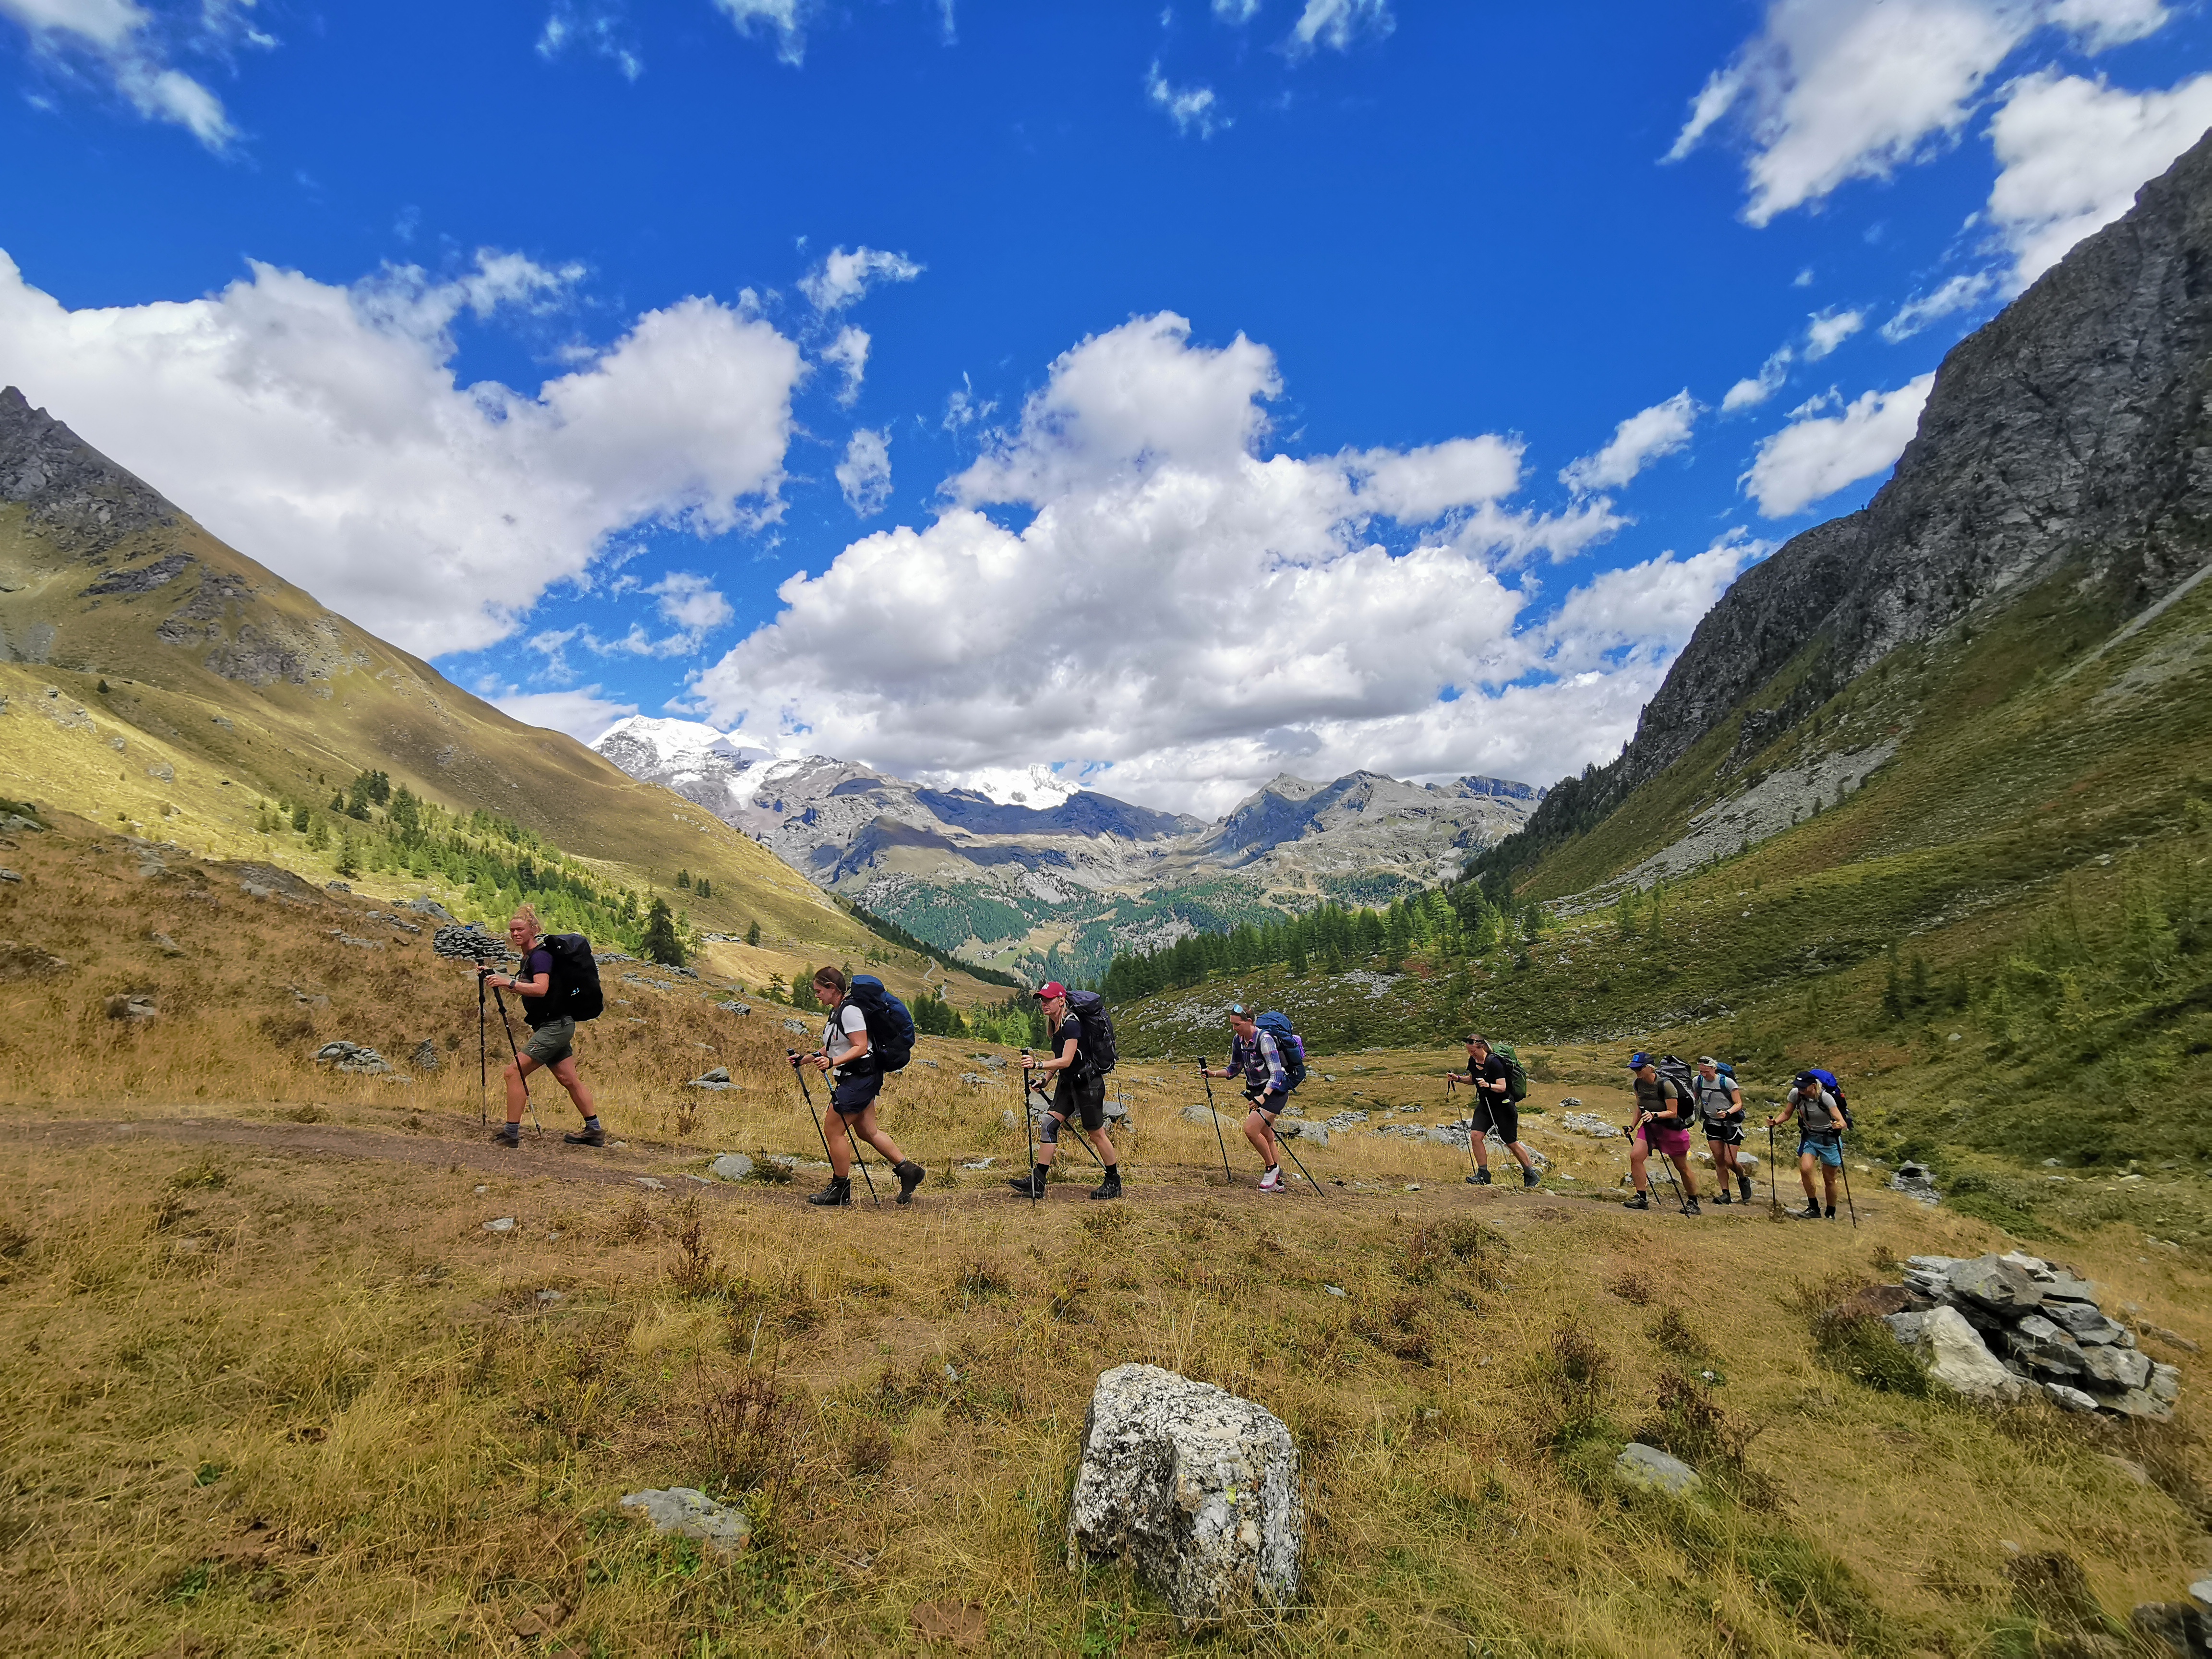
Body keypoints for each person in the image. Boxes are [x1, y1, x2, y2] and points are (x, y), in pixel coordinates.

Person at [481, 904, 605, 1148]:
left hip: (555, 1026)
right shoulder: (530, 957)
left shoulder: (540, 956)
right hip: (555, 1024)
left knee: (513, 1073)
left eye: (520, 930)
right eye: (512, 930)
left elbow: (541, 989)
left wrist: (510, 984)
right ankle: (594, 1131)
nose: (515, 934)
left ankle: (511, 1134)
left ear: (533, 930)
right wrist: (496, 975)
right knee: (568, 1078)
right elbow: (527, 983)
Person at [801, 966, 926, 1207]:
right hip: (861, 1077)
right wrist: (805, 1058)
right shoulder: (838, 1012)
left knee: (834, 1130)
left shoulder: (850, 1012)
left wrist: (832, 1063)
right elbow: (836, 1045)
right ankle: (910, 1171)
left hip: (860, 1078)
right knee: (867, 1131)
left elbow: (859, 1047)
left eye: (819, 991)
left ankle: (840, 1189)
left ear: (832, 989)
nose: (816, 995)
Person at [1011, 982, 1121, 1201]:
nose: (1044, 1004)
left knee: (1096, 1134)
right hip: (1068, 1083)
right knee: (1048, 1124)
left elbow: (1068, 1059)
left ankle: (1113, 1181)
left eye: (1048, 999)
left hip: (1088, 1084)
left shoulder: (1071, 1023)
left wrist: (1037, 1065)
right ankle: (1038, 1182)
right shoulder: (1055, 1024)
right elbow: (1059, 1059)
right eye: (1042, 1000)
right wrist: (1045, 1080)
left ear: (1061, 1000)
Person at [1202, 1004, 1296, 1192]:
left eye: (1237, 1025)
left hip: (1274, 1092)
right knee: (1267, 1135)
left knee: (1251, 1129)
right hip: (1256, 1092)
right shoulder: (1238, 1041)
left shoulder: (1265, 1039)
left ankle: (1272, 1169)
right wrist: (1213, 1074)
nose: (1235, 1029)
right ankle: (1277, 1184)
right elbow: (1234, 1068)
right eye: (1233, 1025)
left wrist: (1263, 1098)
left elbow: (1277, 1075)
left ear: (1249, 1022)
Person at [1447, 1035, 1539, 1188]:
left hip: (1503, 1106)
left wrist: (1488, 1085)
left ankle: (1531, 1174)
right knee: (1476, 1136)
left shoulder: (1494, 1062)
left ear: (1481, 1047)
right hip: (1485, 1105)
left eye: (1473, 1051)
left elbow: (1502, 1087)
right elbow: (1473, 1079)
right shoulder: (1473, 1061)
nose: (1471, 1054)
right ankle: (1483, 1175)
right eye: (1469, 1052)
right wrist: (1458, 1079)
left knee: (1510, 1142)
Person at [1623, 1051, 1699, 1214]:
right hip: (1650, 1127)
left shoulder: (1666, 1085)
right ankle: (1641, 1197)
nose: (1636, 1072)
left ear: (1650, 1068)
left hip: (1671, 1128)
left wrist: (1655, 1115)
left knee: (1681, 1166)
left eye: (1640, 1069)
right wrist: (1632, 1126)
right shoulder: (1638, 1084)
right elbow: (1639, 1105)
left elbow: (1673, 1111)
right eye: (1634, 1069)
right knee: (1636, 1157)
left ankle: (1693, 1202)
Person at [1767, 1070, 1845, 1219]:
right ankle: (1814, 1208)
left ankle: (1830, 1212)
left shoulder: (1826, 1098)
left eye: (1804, 1087)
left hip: (1829, 1140)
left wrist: (1838, 1125)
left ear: (1814, 1086)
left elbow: (1842, 1121)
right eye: (1798, 1086)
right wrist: (1776, 1122)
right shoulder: (1796, 1094)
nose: (1800, 1089)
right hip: (1810, 1137)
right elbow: (1787, 1113)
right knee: (1805, 1169)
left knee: (1829, 1178)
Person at [1693, 1057, 1752, 1204]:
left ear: (1714, 1069)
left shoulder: (1727, 1083)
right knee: (1719, 1161)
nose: (1703, 1075)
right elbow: (1695, 1098)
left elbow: (1739, 1104)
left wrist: (1728, 1113)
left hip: (1731, 1125)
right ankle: (1726, 1194)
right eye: (1701, 1071)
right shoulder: (1698, 1081)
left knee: (1729, 1160)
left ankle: (1743, 1178)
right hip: (1712, 1124)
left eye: (1706, 1071)